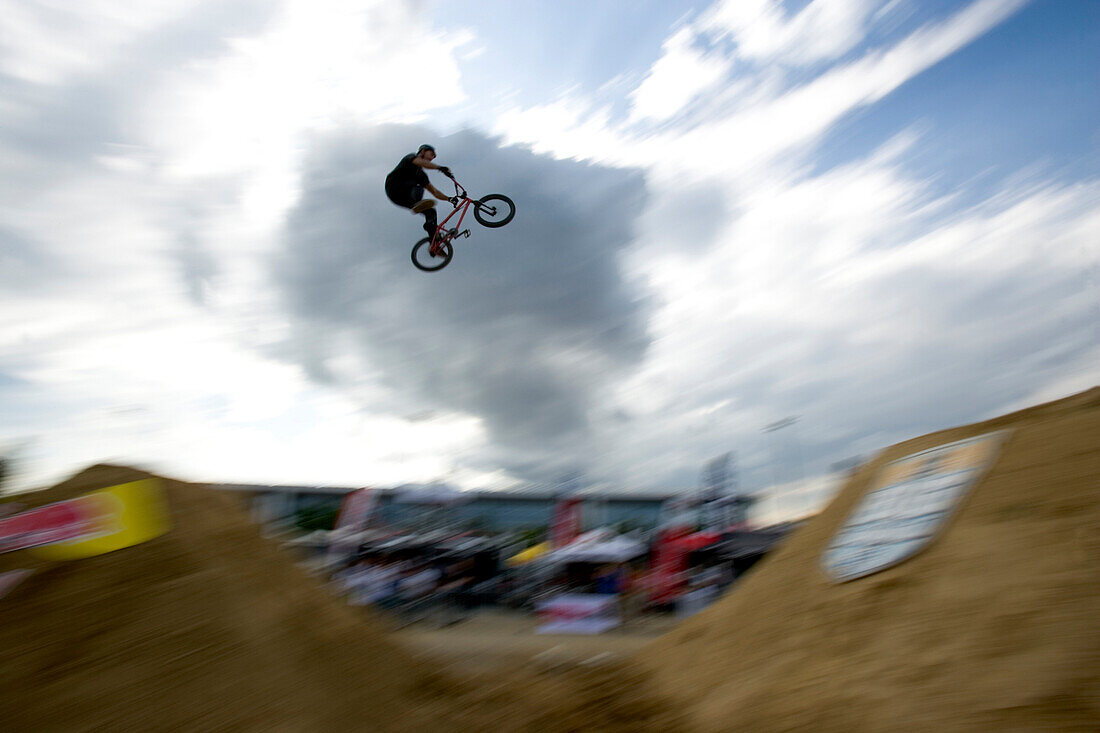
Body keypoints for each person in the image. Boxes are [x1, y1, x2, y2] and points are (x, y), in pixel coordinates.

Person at [385, 144, 456, 241]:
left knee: (431, 212)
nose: (432, 158)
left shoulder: (421, 175)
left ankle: (433, 241)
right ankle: (417, 203)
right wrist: (440, 168)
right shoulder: (410, 158)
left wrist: (449, 199)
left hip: (401, 199)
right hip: (393, 187)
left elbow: (435, 192)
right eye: (431, 154)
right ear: (422, 151)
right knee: (418, 187)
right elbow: (422, 163)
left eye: (433, 157)